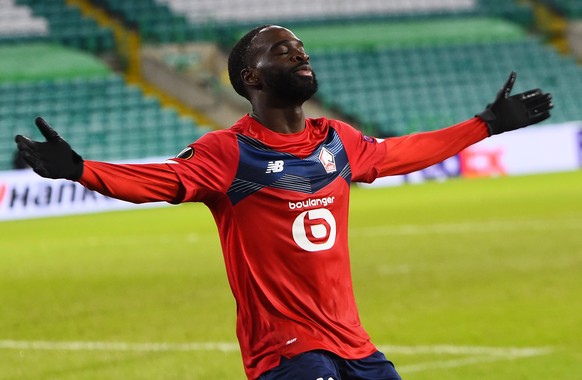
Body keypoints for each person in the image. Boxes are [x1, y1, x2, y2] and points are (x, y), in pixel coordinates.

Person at [14, 25, 552, 380]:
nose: (299, 53)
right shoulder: (229, 152)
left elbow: (400, 153)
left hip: (355, 346)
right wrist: (82, 171)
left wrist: (486, 124)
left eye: (300, 48)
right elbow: (163, 181)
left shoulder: (337, 141)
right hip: (287, 351)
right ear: (251, 78)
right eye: (281, 49)